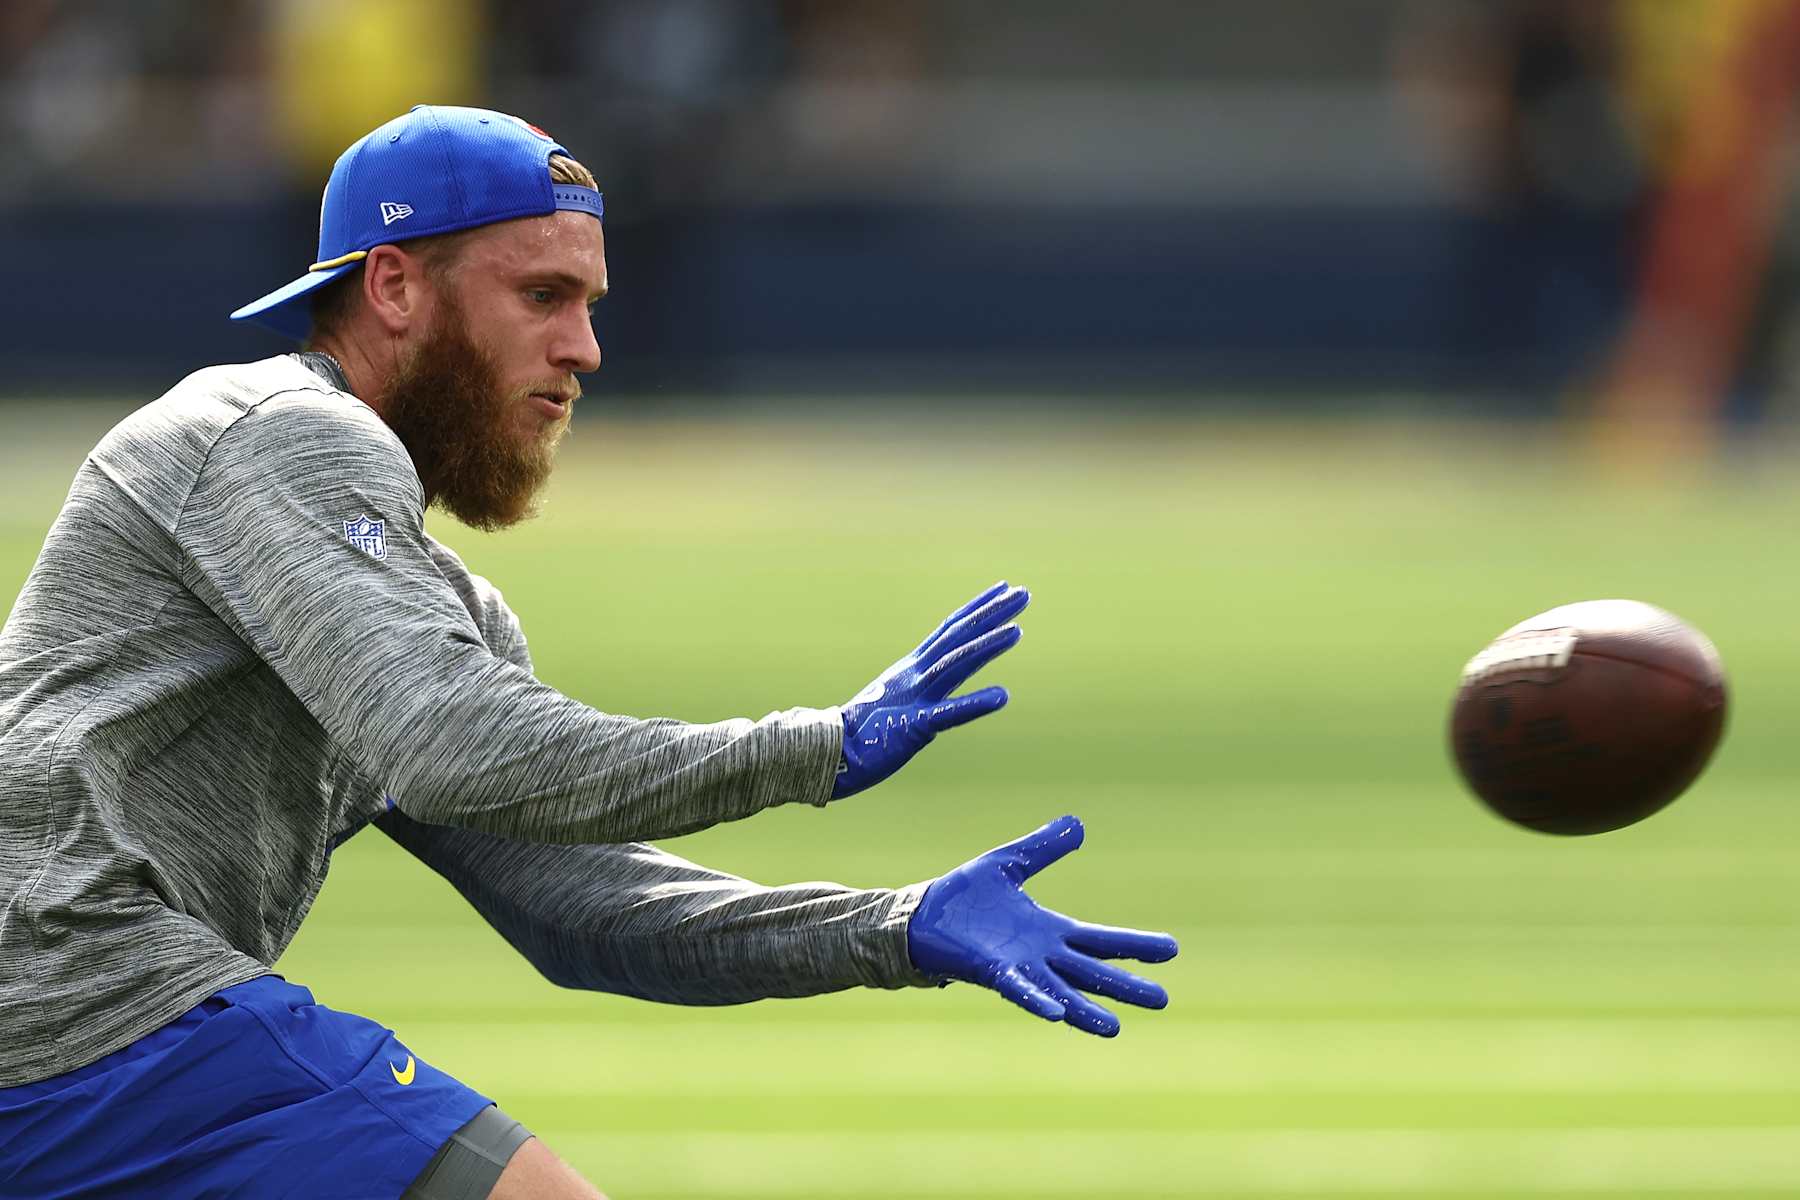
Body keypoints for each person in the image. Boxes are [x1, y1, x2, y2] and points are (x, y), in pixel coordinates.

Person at [0, 105, 1177, 1199]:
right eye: (543, 296)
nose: (585, 350)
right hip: (76, 998)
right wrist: (814, 749)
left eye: (592, 304)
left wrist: (892, 925)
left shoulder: (431, 608)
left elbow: (588, 913)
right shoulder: (277, 433)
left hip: (75, 1050)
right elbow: (454, 744)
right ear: (395, 285)